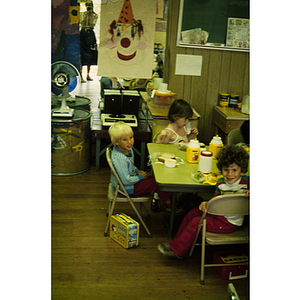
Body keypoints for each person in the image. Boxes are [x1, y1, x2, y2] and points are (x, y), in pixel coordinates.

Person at [157, 145, 250, 258]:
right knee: (192, 212)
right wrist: (206, 204)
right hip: (218, 214)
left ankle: (178, 250)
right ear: (221, 170)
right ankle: (178, 241)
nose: (230, 174)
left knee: (196, 222)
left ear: (242, 171)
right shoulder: (220, 183)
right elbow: (216, 201)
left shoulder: (247, 182)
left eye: (234, 170)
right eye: (226, 170)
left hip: (229, 222)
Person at [108, 121, 173, 211]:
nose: (130, 141)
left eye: (131, 137)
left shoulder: (127, 150)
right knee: (158, 183)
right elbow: (126, 180)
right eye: (124, 139)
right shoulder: (120, 158)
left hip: (127, 183)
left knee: (155, 179)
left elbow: (130, 165)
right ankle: (170, 206)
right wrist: (140, 177)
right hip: (125, 188)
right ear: (116, 142)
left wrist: (137, 171)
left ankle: (165, 199)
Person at [80, 1, 98, 82]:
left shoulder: (94, 15)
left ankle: (88, 74)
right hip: (83, 33)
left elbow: (92, 22)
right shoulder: (83, 14)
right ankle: (80, 75)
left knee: (90, 54)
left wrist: (90, 14)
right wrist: (87, 14)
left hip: (90, 33)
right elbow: (82, 22)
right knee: (82, 53)